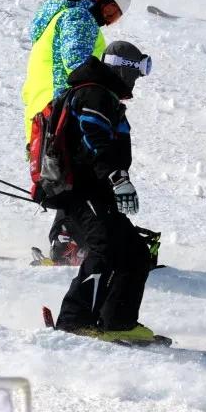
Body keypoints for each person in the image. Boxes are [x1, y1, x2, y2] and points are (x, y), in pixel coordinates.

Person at [22, 0, 132, 265]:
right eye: (110, 9)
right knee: (84, 172)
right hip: (61, 109)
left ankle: (68, 238)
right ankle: (70, 241)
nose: (108, 20)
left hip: (40, 111)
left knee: (67, 176)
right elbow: (77, 66)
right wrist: (111, 88)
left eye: (115, 17)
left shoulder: (55, 17)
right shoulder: (78, 18)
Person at [51, 41, 158, 343]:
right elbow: (94, 137)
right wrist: (118, 178)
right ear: (123, 69)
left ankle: (118, 323)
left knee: (135, 253)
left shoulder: (104, 96)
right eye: (136, 72)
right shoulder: (94, 93)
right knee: (105, 247)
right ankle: (73, 322)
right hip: (82, 189)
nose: (136, 81)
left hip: (96, 189)